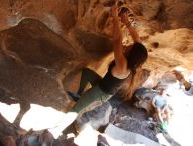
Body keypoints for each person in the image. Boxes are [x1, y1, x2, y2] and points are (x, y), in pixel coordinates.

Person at [49, 4, 148, 138]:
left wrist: (115, 17)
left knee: (76, 110)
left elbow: (117, 41)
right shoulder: (132, 61)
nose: (129, 44)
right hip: (103, 85)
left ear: (132, 54)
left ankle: (54, 132)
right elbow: (137, 40)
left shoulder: (123, 65)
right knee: (86, 72)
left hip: (100, 94)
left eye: (130, 46)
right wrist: (127, 23)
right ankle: (79, 94)